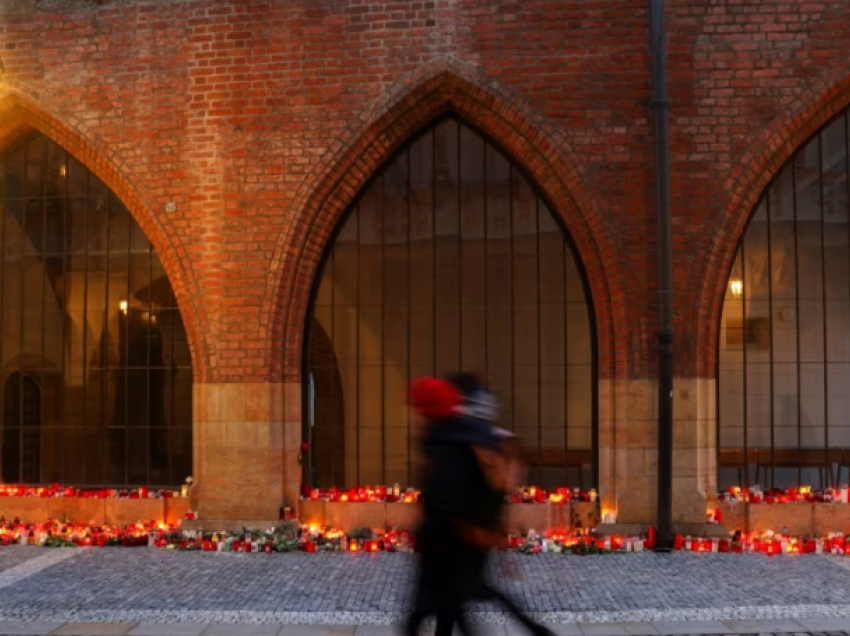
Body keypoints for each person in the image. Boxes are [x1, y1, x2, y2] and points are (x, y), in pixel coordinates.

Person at [405, 374, 500, 636]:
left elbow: (489, 481)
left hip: (448, 531)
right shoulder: (452, 432)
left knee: (430, 607)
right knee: (447, 605)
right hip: (448, 531)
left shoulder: (450, 434)